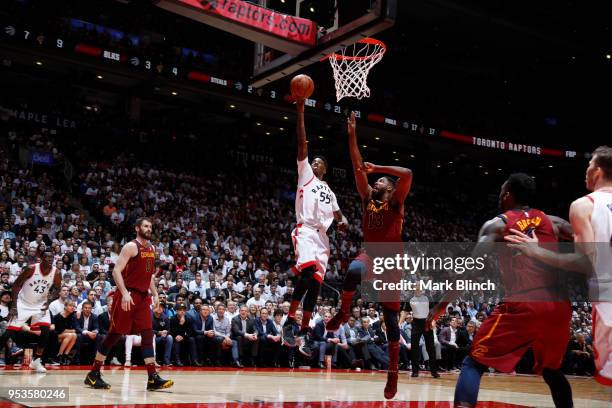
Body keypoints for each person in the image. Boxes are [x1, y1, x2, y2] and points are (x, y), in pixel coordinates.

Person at [428, 173, 574, 407]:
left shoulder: (497, 225)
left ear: (507, 195)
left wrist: (440, 306)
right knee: (552, 370)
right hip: (559, 305)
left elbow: (471, 272)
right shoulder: (552, 221)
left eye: (501, 190)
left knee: (473, 363)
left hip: (526, 302)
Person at [324, 112, 414, 398]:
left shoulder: (396, 204)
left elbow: (408, 173)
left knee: (390, 319)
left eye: (380, 185)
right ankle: (344, 311)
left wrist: (379, 169)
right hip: (370, 254)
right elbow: (356, 164)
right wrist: (352, 134)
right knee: (351, 272)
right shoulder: (366, 200)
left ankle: (393, 373)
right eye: (375, 183)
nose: (374, 185)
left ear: (389, 189)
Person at [505, 146, 612, 386]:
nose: (585, 171)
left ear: (597, 171)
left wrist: (537, 251)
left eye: (589, 165)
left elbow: (585, 261)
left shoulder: (585, 205)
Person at [282, 93, 348, 357]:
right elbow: (301, 143)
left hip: (323, 240)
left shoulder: (329, 190)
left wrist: (342, 223)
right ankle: (290, 319)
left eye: (319, 162)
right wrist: (300, 111)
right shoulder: (305, 174)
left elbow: (340, 215)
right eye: (314, 161)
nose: (314, 162)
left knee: (316, 286)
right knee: (307, 275)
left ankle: (305, 330)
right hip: (306, 230)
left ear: (325, 169)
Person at [84, 218, 173, 390]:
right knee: (114, 335)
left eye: (150, 226)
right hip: (127, 295)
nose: (149, 229)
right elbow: (116, 271)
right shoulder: (131, 246)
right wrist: (124, 293)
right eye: (146, 226)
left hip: (142, 297)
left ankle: (152, 377)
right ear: (137, 228)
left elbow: (149, 276)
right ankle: (93, 373)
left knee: (148, 334)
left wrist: (155, 294)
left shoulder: (152, 249)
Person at [1, 249, 61, 373]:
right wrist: (13, 306)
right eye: (47, 257)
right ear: (41, 258)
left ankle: (36, 361)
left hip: (40, 305)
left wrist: (48, 302)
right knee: (8, 334)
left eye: (52, 258)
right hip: (22, 303)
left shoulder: (56, 272)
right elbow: (17, 285)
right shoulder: (31, 268)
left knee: (45, 331)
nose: (50, 259)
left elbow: (57, 288)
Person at [409, 289, 439, 378]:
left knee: (431, 347)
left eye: (420, 289)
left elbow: (434, 311)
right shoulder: (410, 299)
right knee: (414, 347)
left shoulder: (428, 298)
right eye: (416, 288)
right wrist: (399, 323)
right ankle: (415, 371)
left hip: (427, 322)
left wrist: (433, 320)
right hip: (416, 323)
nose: (418, 290)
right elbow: (404, 311)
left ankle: (434, 371)